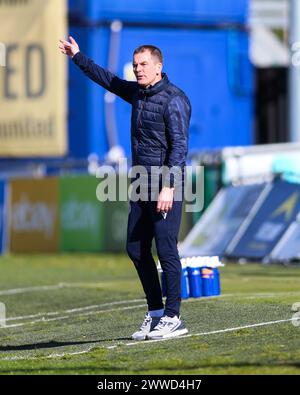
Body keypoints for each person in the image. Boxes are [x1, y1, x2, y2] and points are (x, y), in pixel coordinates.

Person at [59, 36, 191, 340]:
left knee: (166, 249)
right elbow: (108, 80)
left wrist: (169, 186)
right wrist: (78, 56)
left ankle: (173, 317)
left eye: (144, 64)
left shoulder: (174, 99)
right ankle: (156, 313)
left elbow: (180, 147)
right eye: (135, 65)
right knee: (135, 248)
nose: (138, 70)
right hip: (140, 183)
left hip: (165, 184)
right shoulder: (139, 94)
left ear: (159, 67)